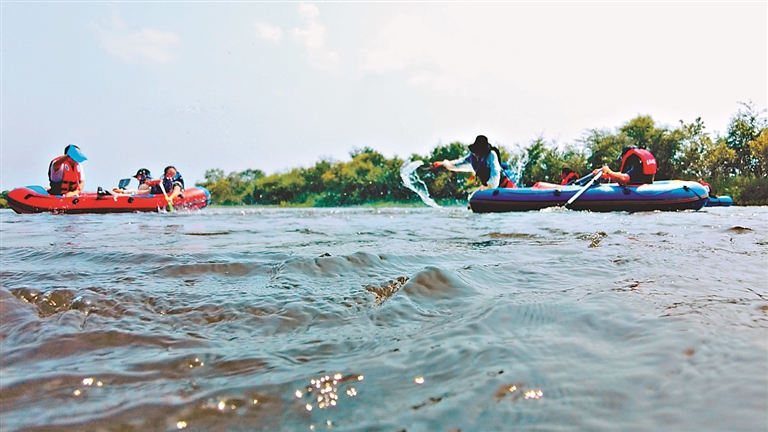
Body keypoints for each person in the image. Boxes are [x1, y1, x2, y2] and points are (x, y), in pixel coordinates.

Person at [432, 135, 516, 189]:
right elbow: (458, 163)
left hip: (504, 185)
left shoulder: (491, 155)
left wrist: (490, 186)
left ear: (482, 150)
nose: (475, 153)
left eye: (477, 151)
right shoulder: (472, 156)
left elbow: (495, 172)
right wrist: (443, 163)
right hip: (490, 188)